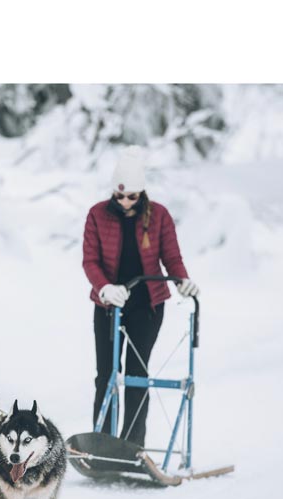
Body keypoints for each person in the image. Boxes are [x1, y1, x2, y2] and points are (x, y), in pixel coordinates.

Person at [82, 145, 199, 449]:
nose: (124, 202)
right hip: (109, 306)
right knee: (106, 375)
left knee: (136, 374)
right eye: (119, 195)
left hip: (147, 307)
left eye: (131, 196)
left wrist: (182, 281)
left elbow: (172, 258)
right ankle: (104, 444)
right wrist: (104, 287)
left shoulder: (158, 216)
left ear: (142, 193)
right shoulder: (97, 215)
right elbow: (90, 261)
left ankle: (132, 445)